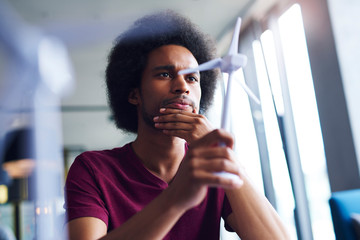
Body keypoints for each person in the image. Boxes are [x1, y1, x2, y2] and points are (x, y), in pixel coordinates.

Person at [64, 10, 290, 240]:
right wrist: (176, 198)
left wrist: (226, 157)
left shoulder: (211, 166)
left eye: (192, 77)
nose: (182, 86)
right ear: (134, 94)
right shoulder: (94, 169)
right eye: (164, 74)